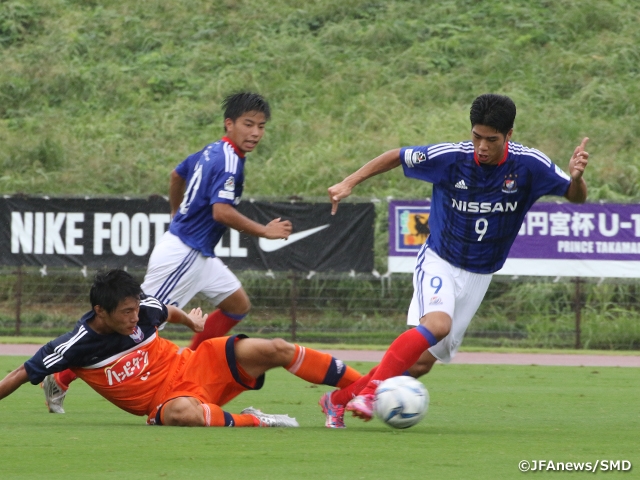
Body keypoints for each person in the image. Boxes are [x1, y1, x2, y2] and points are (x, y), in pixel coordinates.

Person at [318, 93, 590, 427]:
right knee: (437, 325)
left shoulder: (530, 165)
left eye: (491, 139)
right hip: (440, 258)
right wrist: (348, 182)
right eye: (477, 136)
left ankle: (337, 400)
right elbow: (395, 156)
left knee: (420, 365)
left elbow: (575, 198)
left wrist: (576, 178)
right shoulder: (451, 157)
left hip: (480, 273)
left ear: (509, 135)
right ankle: (372, 391)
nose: (482, 147)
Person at [46, 92, 293, 413]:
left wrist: (177, 212)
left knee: (237, 305)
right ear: (229, 124)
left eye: (261, 126)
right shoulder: (228, 162)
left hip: (198, 253)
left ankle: (193, 370)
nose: (256, 133)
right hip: (184, 255)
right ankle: (60, 376)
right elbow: (221, 212)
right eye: (248, 124)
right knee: (136, 323)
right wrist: (264, 231)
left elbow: (177, 174)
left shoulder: (211, 151)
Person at [0, 269, 361, 427]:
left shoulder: (143, 310)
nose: (134, 317)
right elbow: (19, 373)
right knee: (181, 416)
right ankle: (259, 420)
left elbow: (166, 311)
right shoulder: (74, 346)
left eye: (136, 309)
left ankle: (368, 387)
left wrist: (193, 322)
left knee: (277, 348)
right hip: (166, 401)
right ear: (100, 311)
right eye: (126, 313)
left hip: (197, 365)